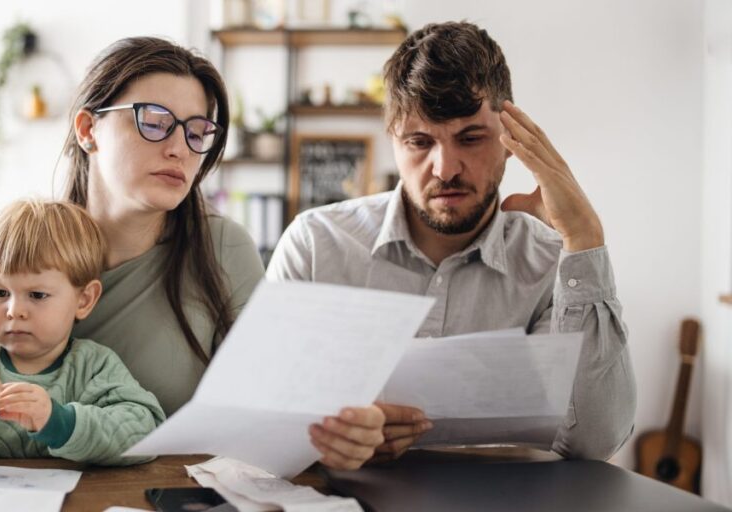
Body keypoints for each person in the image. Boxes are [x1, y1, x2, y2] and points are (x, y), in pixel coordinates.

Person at [0, 37, 385, 470]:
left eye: (196, 132)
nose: (179, 149)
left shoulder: (223, 249)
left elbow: (274, 418)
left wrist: (338, 433)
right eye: (154, 121)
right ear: (88, 130)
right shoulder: (17, 250)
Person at [267, 21, 635, 461]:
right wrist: (331, 435)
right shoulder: (315, 245)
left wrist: (584, 238)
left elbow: (594, 442)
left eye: (471, 138)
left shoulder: (555, 264)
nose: (445, 169)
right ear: (393, 144)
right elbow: (263, 416)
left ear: (511, 139)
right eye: (420, 142)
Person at [0, 200, 165, 465]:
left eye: (37, 295)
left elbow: (143, 434)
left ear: (84, 300)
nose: (14, 311)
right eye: (0, 293)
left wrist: (59, 422)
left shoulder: (94, 367)